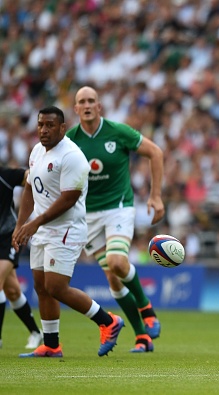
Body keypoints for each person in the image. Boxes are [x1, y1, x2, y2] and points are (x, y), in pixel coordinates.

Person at [12, 106, 124, 358]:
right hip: (41, 228)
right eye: (41, 124)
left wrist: (35, 223)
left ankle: (108, 322)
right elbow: (29, 187)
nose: (44, 129)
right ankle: (51, 344)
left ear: (62, 128)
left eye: (50, 125)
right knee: (40, 286)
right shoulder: (37, 151)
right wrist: (21, 224)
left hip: (66, 228)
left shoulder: (72, 156)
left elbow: (69, 199)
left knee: (56, 287)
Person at [66, 86, 164, 353]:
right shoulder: (69, 140)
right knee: (112, 279)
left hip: (118, 207)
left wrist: (155, 196)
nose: (86, 105)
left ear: (99, 106)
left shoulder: (118, 132)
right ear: (75, 109)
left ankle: (146, 307)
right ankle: (142, 336)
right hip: (87, 215)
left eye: (91, 101)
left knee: (118, 262)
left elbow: (155, 152)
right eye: (81, 102)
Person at [0, 165, 42, 350]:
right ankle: (36, 332)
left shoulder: (6, 174)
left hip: (7, 237)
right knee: (13, 291)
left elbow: (31, 178)